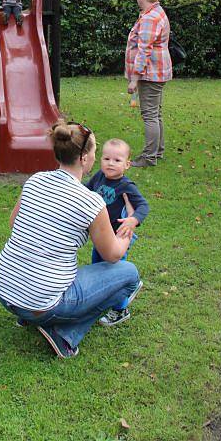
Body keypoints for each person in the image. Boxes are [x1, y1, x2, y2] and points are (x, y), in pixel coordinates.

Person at [0, 121, 142, 359]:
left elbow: (13, 223)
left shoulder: (36, 180)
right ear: (84, 158)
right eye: (95, 153)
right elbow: (112, 254)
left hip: (4, 291)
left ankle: (27, 315)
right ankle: (66, 335)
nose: (97, 158)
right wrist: (126, 229)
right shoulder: (91, 202)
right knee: (129, 274)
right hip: (42, 304)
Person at [85, 138, 149, 326]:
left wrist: (133, 220)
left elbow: (143, 206)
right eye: (106, 159)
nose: (110, 163)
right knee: (98, 267)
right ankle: (102, 297)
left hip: (117, 239)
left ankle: (121, 310)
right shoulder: (99, 177)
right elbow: (86, 191)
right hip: (100, 236)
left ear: (127, 164)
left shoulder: (126, 186)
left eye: (117, 160)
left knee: (115, 272)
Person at [125, 0, 172, 167]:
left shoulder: (149, 18)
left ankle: (149, 157)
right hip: (157, 71)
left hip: (151, 73)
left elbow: (144, 50)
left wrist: (134, 79)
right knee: (156, 113)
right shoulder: (155, 12)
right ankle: (157, 152)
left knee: (150, 115)